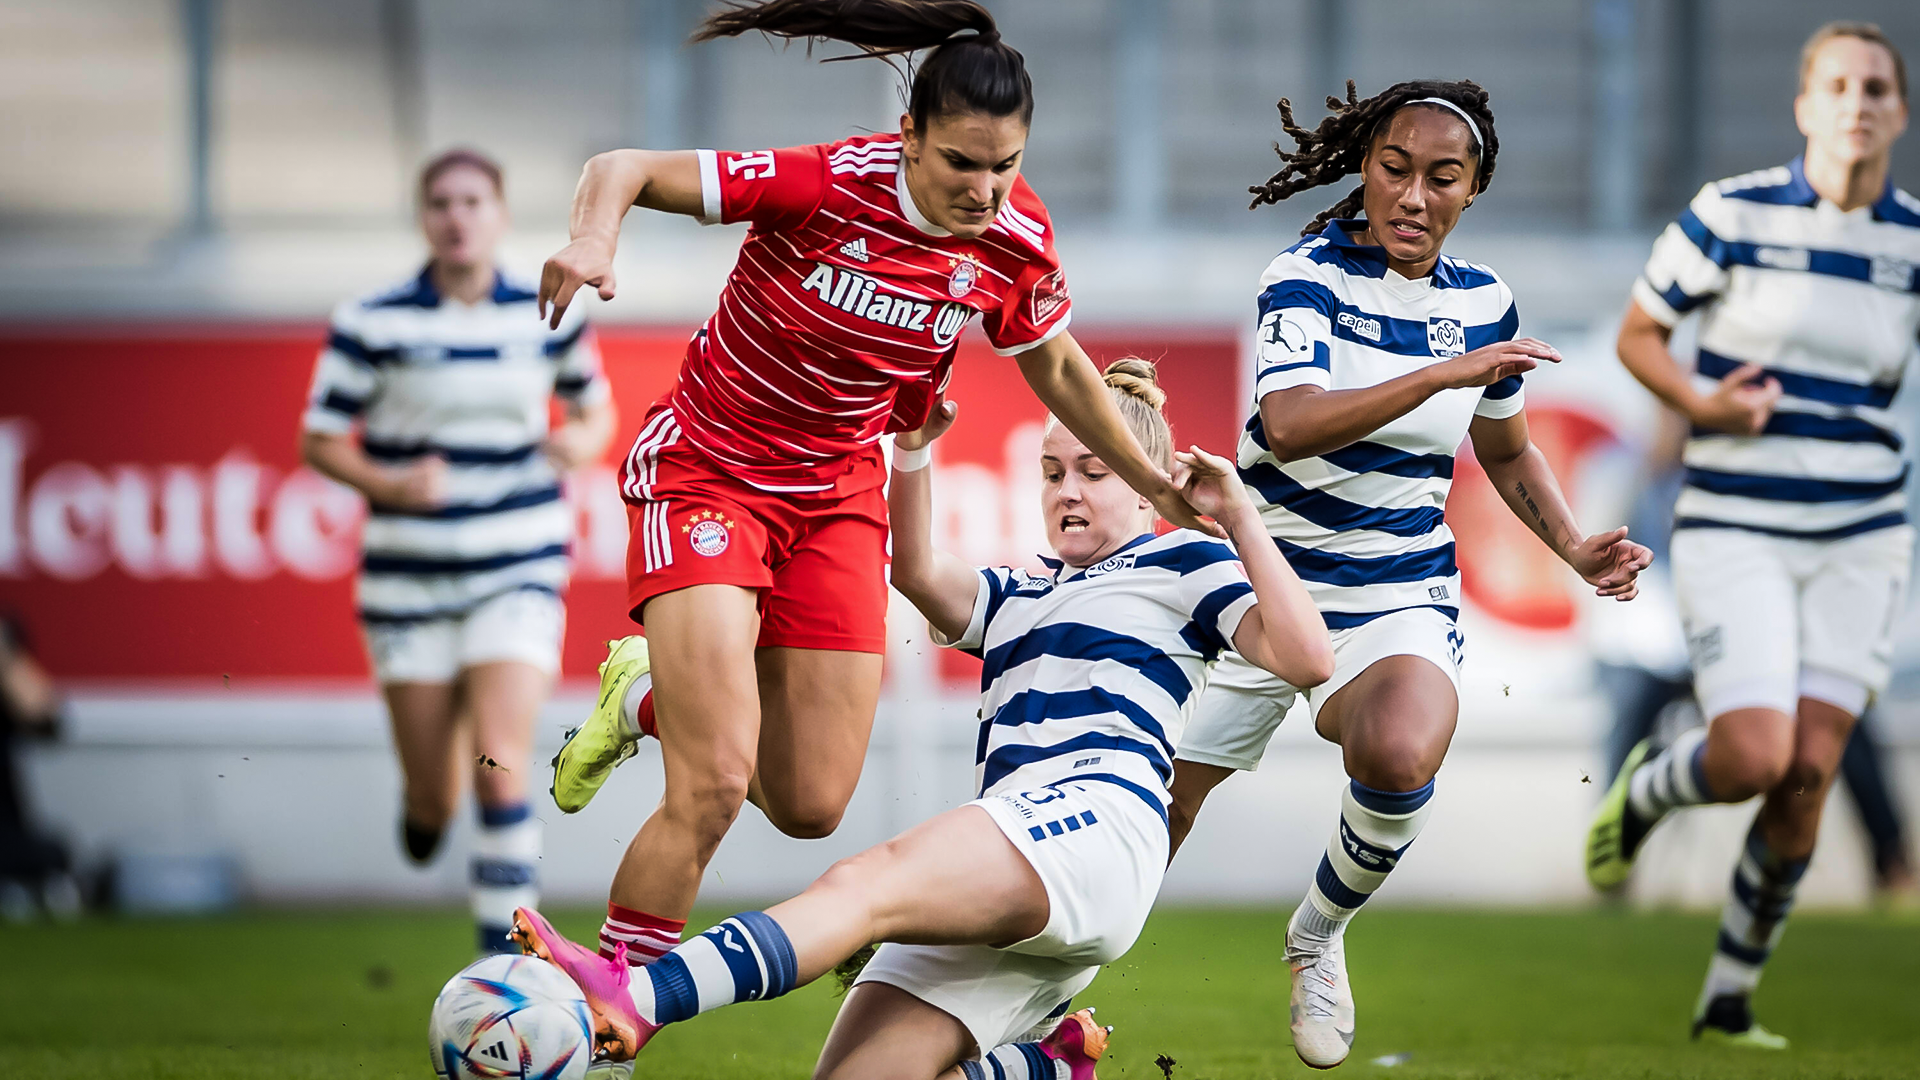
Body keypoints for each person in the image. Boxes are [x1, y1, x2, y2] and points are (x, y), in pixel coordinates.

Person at [534, 0, 1213, 988]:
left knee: (809, 802)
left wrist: (1156, 479)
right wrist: (595, 242)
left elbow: (1059, 367)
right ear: (908, 137)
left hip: (839, 496)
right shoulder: (822, 184)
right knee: (717, 782)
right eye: (960, 165)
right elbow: (621, 168)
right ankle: (610, 1004)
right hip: (712, 469)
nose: (985, 190)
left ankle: (642, 698)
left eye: (1005, 164)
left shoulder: (1015, 237)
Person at [512, 359, 1334, 1078]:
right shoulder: (1022, 592)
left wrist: (1239, 518)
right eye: (1052, 473)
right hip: (1016, 858)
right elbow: (914, 569)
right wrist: (912, 448)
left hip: (1094, 831)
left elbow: (1307, 660)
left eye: (1093, 470)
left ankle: (638, 995)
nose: (1068, 491)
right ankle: (1040, 1066)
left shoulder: (1180, 561)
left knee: (863, 886)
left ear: (1148, 483)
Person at [1161, 80, 1654, 1069]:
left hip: (1398, 591)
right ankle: (1029, 993)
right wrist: (1439, 375)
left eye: (1443, 177)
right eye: (1395, 169)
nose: (1414, 196)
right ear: (1364, 167)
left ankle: (1316, 935)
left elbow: (1507, 454)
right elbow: (1290, 425)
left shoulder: (1483, 302)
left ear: (1475, 189)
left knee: (1398, 753)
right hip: (1260, 588)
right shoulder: (1302, 278)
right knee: (1147, 818)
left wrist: (1574, 547)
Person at [1585, 21, 1918, 1047]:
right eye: (1837, 86)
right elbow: (1639, 336)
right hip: (1739, 524)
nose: (1857, 103)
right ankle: (1648, 791)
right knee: (1753, 757)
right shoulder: (1729, 214)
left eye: (1876, 87)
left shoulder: (1911, 245)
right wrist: (1702, 402)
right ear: (1805, 107)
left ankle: (1728, 998)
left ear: (1899, 114)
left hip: (1865, 532)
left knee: (1811, 775)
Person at [299, 148, 615, 954]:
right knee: (436, 794)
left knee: (498, 763)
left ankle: (505, 972)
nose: (457, 216)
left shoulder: (550, 307)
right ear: (423, 217)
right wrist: (391, 484)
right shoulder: (372, 319)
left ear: (500, 214)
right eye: (441, 202)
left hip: (517, 565)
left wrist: (573, 445)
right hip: (409, 579)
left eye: (473, 201)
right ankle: (422, 814)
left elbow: (594, 415)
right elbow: (322, 440)